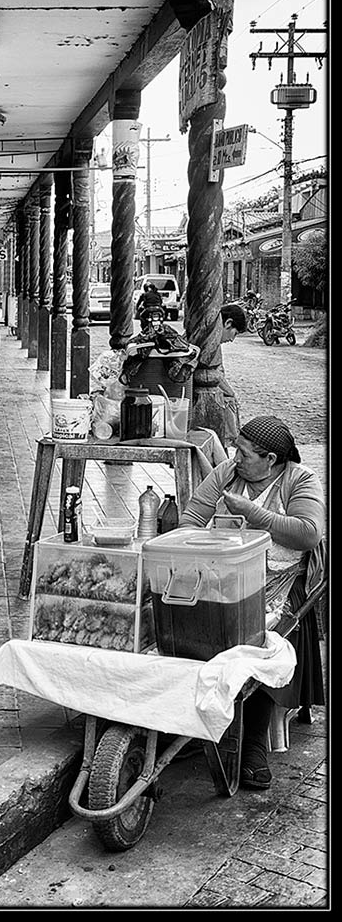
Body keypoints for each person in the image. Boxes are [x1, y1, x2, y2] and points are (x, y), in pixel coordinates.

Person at [178, 415, 326, 791]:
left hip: (279, 581)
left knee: (261, 637)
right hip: (221, 577)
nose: (234, 458)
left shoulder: (300, 479)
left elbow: (308, 535)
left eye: (243, 453)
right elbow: (191, 518)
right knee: (178, 619)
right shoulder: (228, 473)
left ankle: (254, 744)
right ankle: (194, 719)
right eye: (235, 450)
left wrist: (249, 512)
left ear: (271, 459)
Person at [218, 303, 248, 447]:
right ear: (228, 323)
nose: (232, 339)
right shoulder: (208, 341)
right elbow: (216, 376)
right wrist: (231, 393)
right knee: (229, 400)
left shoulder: (215, 344)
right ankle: (232, 439)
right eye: (234, 333)